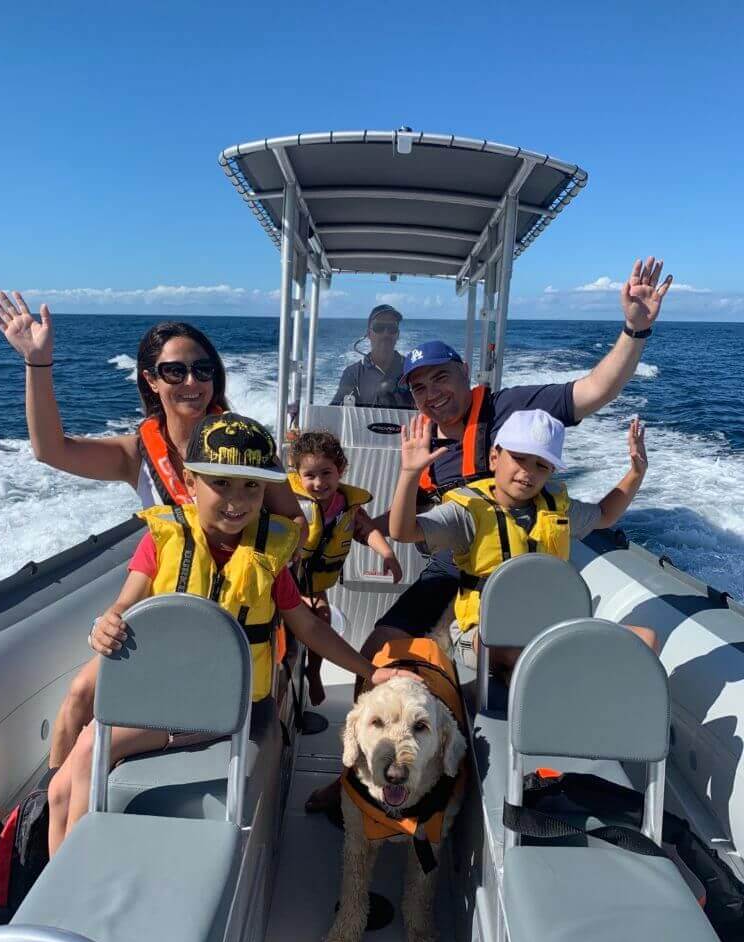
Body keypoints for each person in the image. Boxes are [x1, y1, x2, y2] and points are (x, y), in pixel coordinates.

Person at [305, 254, 672, 813]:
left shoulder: (512, 410)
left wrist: (636, 327)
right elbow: (410, 522)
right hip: (456, 562)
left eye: (442, 379)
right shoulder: (425, 443)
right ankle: (356, 778)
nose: (433, 392)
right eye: (420, 386)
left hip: (523, 571)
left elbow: (596, 390)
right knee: (376, 650)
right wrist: (358, 526)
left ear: (464, 377)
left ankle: (516, 759)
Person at [0, 293, 304, 833]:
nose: (191, 381)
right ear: (151, 380)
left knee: (94, 725)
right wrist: (37, 363)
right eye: (173, 371)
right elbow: (50, 450)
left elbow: (291, 530)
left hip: (224, 633)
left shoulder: (243, 451)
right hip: (157, 620)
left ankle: (66, 814)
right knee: (78, 698)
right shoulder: (138, 452)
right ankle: (45, 811)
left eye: (202, 368)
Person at [47, 413, 417, 855]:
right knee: (57, 793)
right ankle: (55, 881)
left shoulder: (267, 555)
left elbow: (308, 627)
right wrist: (103, 626)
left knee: (89, 748)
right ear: (190, 480)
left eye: (251, 487)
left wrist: (369, 671)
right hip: (164, 693)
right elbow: (123, 607)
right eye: (221, 483)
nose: (236, 500)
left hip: (223, 704)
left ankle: (76, 880)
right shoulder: (163, 541)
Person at [390, 409, 656, 671]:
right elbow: (403, 531)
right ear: (495, 458)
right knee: (523, 654)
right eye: (519, 458)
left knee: (645, 639)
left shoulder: (557, 509)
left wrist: (636, 472)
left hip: (546, 628)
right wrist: (410, 474)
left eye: (541, 465)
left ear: (550, 471)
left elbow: (605, 515)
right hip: (481, 636)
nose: (528, 472)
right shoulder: (467, 512)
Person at [288, 431, 403, 705]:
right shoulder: (292, 503)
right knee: (303, 622)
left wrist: (387, 554)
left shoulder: (346, 506)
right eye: (310, 475)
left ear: (341, 470)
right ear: (297, 474)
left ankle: (313, 672)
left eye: (326, 473)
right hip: (287, 580)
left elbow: (366, 530)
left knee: (322, 618)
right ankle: (292, 673)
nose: (318, 483)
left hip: (315, 583)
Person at [330, 304, 414, 408]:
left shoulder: (412, 371)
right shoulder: (353, 374)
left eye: (392, 328)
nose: (386, 334)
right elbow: (335, 412)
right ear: (369, 334)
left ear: (397, 334)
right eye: (379, 327)